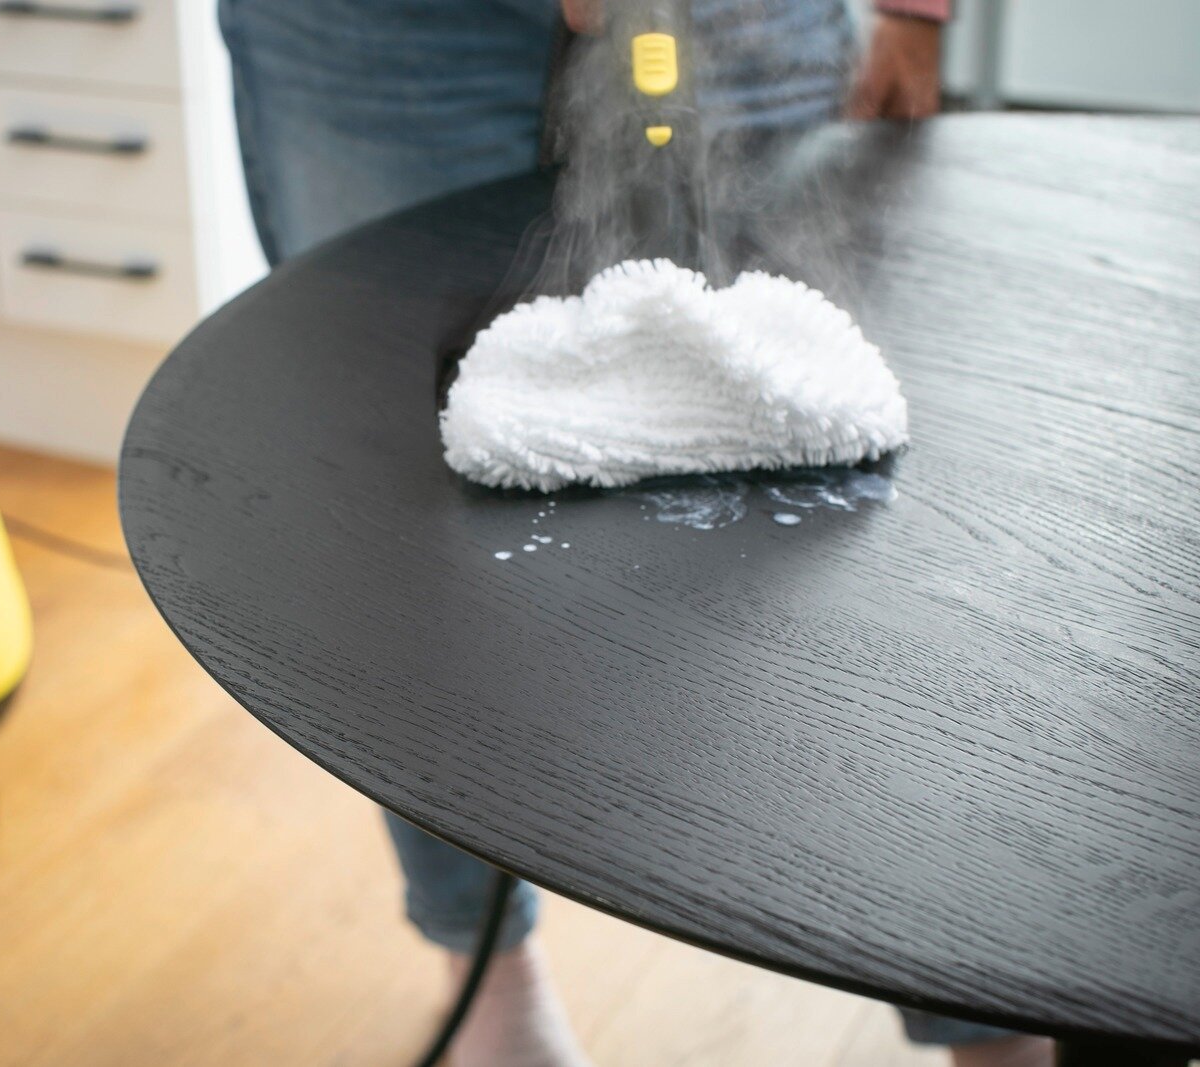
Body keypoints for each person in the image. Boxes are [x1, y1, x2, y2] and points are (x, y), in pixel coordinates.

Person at [219, 2, 1055, 1064]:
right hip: (380, 33)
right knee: (405, 542)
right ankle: (488, 972)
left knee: (848, 550)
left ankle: (980, 1007)